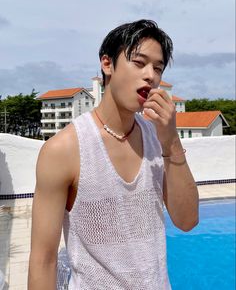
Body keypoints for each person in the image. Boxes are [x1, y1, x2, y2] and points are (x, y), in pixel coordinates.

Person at [28, 19, 199, 289]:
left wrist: (171, 141)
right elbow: (43, 260)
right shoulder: (64, 150)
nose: (150, 76)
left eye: (158, 68)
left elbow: (188, 220)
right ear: (107, 64)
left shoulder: (159, 139)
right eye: (139, 62)